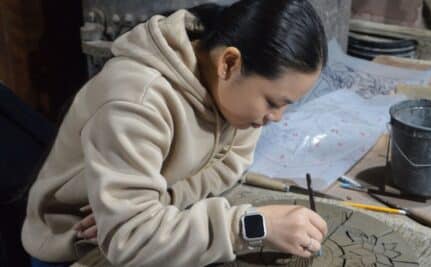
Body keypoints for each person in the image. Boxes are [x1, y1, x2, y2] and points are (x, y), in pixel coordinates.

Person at [22, 0, 328, 266]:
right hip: (76, 245)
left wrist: (166, 199)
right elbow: (129, 240)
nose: (276, 117)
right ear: (229, 63)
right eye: (273, 102)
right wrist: (251, 226)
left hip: (138, 228)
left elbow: (231, 162)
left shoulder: (238, 106)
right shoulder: (137, 99)